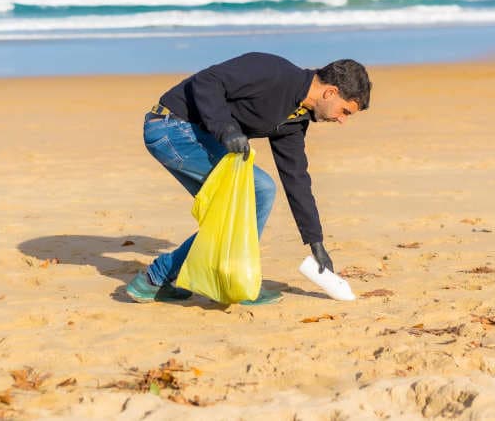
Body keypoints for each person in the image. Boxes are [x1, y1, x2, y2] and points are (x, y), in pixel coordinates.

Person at [127, 52, 371, 305]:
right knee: (260, 191)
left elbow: (296, 178)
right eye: (345, 111)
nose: (342, 120)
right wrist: (227, 129)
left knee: (229, 215)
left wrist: (315, 242)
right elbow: (207, 81)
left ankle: (154, 280)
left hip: (193, 137)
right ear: (330, 92)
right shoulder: (274, 71)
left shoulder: (294, 121)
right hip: (171, 127)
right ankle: (232, 282)